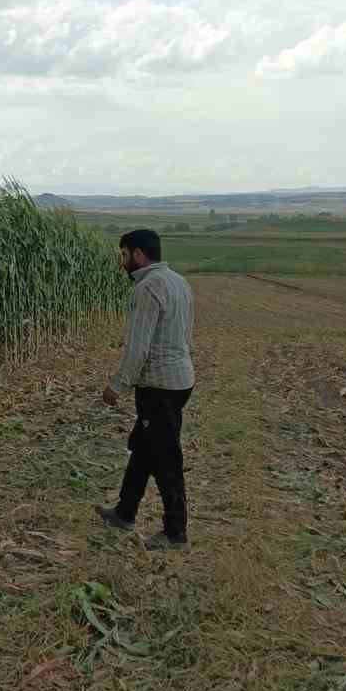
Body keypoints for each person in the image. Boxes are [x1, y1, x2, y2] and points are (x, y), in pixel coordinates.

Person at [95, 228, 196, 550]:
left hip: (159, 386)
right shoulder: (178, 282)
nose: (122, 262)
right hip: (179, 380)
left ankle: (175, 532)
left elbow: (138, 348)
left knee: (166, 458)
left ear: (138, 254)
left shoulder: (147, 288)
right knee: (143, 447)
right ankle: (124, 513)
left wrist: (116, 386)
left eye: (124, 255)